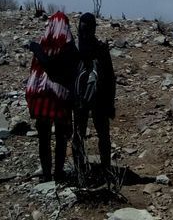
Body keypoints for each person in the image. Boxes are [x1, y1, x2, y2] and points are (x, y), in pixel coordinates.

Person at [25, 10, 78, 181]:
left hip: (44, 98)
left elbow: (48, 65)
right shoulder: (70, 47)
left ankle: (48, 174)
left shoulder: (43, 45)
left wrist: (35, 48)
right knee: (61, 138)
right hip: (62, 99)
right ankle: (58, 172)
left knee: (44, 138)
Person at [72, 12, 116, 183]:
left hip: (81, 99)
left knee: (79, 134)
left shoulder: (77, 49)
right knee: (102, 134)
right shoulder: (101, 49)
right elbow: (111, 77)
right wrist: (110, 103)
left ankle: (79, 169)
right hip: (100, 98)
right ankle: (106, 169)